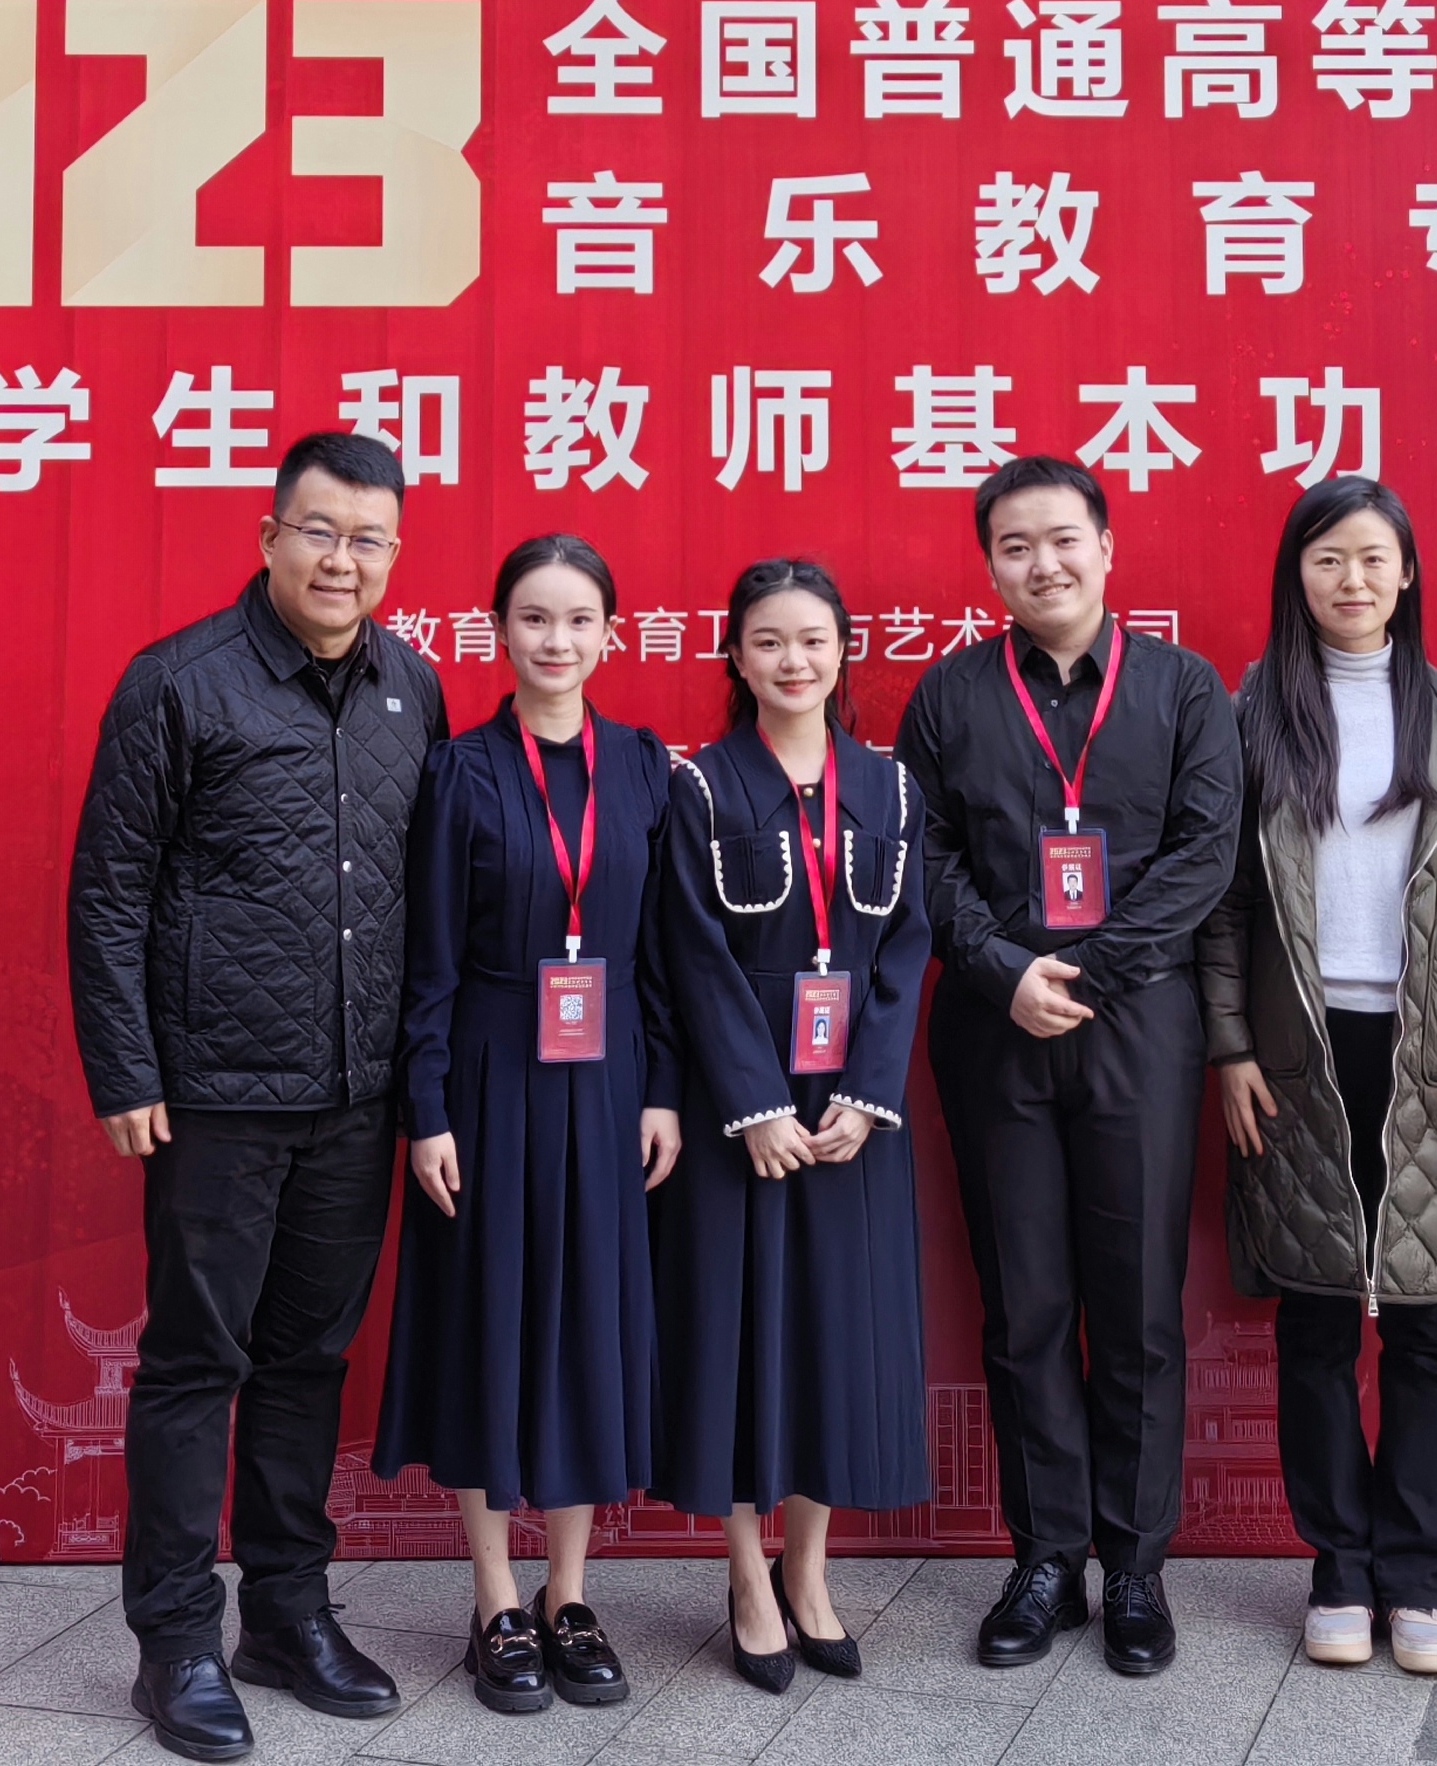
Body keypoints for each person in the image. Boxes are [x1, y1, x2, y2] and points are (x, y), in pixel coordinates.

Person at [67, 432, 447, 1763]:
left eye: (368, 539)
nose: (342, 560)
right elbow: (108, 890)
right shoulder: (178, 682)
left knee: (306, 1362)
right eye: (319, 531)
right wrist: (126, 1067)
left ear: (393, 555)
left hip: (355, 1091)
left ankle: (287, 1614)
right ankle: (175, 1638)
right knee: (195, 1361)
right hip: (212, 1094)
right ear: (269, 534)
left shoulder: (412, 686)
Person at [894, 455, 1242, 1677]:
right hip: (994, 1027)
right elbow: (921, 852)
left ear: (1105, 546)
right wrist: (1002, 969)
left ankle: (1135, 1566)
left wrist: (1086, 970)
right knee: (1025, 1301)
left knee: (1137, 1305)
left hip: (1137, 1023)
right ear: (988, 565)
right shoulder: (948, 695)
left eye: (1060, 539)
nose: (1040, 563)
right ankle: (1044, 1555)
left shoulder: (1183, 688)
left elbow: (1204, 853)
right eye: (1013, 545)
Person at [373, 534, 684, 1717]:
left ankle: (569, 1593)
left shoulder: (643, 767)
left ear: (611, 632)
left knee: (586, 1324)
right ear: (498, 629)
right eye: (534, 617)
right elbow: (429, 963)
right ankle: (494, 1596)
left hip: (608, 1080)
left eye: (578, 618)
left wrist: (661, 1088)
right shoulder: (460, 772)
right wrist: (427, 1108)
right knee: (490, 1319)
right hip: (490, 1078)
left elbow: (661, 954)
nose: (557, 639)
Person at [1198, 478, 1437, 1678]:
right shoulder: (1248, 715)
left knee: (1426, 1324)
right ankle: (1336, 1565)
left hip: (1436, 1050)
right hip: (1297, 1047)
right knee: (1316, 1319)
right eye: (1327, 558)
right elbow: (1222, 903)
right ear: (1296, 574)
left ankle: (1419, 1580)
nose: (1351, 579)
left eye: (1373, 558)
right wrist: (1228, 1046)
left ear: (1407, 572)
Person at [652, 560, 936, 1695]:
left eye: (813, 639)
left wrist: (867, 1094)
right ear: (734, 654)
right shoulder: (699, 786)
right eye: (767, 641)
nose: (792, 660)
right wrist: (754, 1104)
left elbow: (906, 948)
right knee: (736, 1335)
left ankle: (808, 1567)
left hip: (855, 1117)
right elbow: (688, 954)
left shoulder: (892, 788)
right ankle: (743, 1574)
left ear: (843, 648)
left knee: (832, 1338)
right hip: (743, 1112)